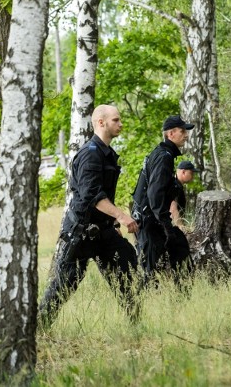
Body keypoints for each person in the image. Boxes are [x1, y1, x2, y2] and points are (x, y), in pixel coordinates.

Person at [39, 104, 140, 327]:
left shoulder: (108, 154)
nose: (120, 123)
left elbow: (103, 195)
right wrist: (123, 217)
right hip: (82, 233)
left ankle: (137, 325)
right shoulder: (90, 154)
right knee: (64, 285)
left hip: (103, 231)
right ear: (101, 123)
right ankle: (39, 329)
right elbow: (92, 195)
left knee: (127, 270)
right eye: (116, 120)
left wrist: (113, 220)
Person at [132, 115, 194, 279]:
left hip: (152, 219)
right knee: (148, 269)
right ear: (171, 134)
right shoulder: (164, 157)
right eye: (182, 131)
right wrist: (166, 226)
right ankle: (143, 298)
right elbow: (155, 194)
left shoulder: (165, 154)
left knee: (180, 250)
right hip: (149, 221)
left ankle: (180, 294)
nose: (186, 135)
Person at [170, 160, 199, 230]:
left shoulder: (177, 185)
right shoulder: (174, 185)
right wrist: (181, 227)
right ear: (183, 172)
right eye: (191, 173)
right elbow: (173, 209)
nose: (193, 176)